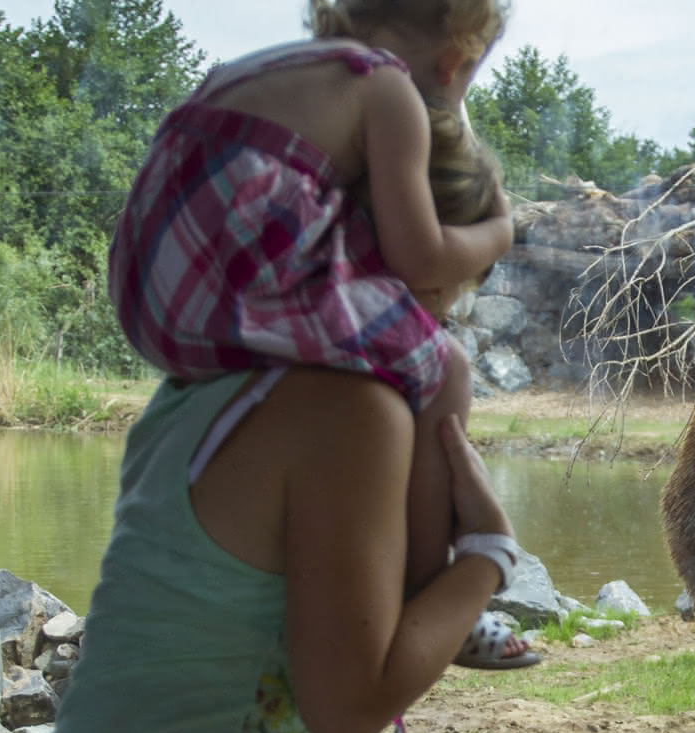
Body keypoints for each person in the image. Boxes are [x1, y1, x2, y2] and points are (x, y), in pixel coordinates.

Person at [0, 2, 578, 733]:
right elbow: (348, 711)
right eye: (458, 293)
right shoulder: (352, 412)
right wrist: (486, 560)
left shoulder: (198, 390)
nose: (445, 332)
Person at [108, 0, 536, 669]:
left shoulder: (261, 68)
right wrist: (499, 233)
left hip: (151, 292)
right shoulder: (387, 86)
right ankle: (421, 592)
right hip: (234, 289)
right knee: (444, 366)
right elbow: (416, 257)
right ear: (455, 62)